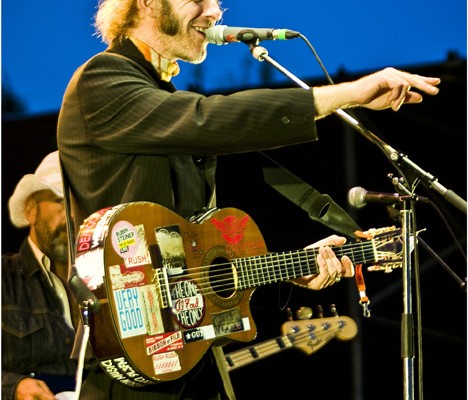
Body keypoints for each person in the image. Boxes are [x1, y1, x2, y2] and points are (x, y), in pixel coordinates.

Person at [56, 0, 440, 398]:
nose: (214, 11)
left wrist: (292, 269)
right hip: (132, 359)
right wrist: (348, 94)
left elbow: (190, 256)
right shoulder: (103, 79)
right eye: (198, 1)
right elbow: (208, 119)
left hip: (193, 359)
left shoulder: (161, 98)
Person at [2, 151, 78, 400]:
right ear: (31, 210)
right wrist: (12, 387)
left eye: (79, 202)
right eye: (60, 201)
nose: (73, 216)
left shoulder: (108, 275)